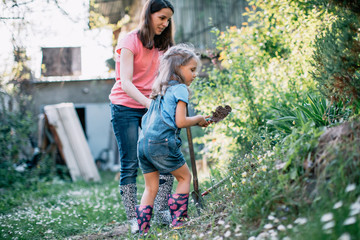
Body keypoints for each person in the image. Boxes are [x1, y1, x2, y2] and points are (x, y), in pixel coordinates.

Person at [109, 0, 175, 233]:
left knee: (164, 158)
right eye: (161, 18)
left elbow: (167, 79)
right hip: (125, 106)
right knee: (130, 163)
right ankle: (134, 217)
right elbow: (125, 82)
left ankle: (161, 209)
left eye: (168, 20)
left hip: (153, 105)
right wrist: (149, 104)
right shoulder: (130, 41)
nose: (165, 24)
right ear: (149, 15)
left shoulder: (164, 45)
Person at [135, 44, 211, 235]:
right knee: (185, 177)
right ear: (178, 68)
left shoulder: (159, 89)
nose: (194, 75)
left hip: (143, 143)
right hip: (162, 142)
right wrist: (198, 119)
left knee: (150, 187)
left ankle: (142, 230)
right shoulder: (180, 89)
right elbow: (180, 121)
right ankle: (178, 221)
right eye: (192, 70)